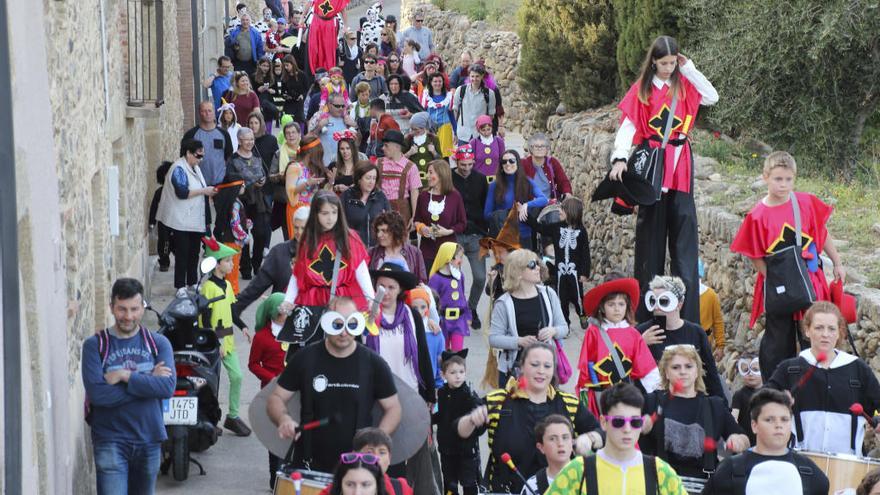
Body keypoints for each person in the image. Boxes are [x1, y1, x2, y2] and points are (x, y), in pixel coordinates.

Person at [608, 36, 718, 324]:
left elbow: (712, 96)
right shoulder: (642, 91)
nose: (669, 67)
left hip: (681, 170)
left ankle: (687, 323)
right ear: (654, 61)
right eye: (664, 62)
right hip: (653, 173)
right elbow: (627, 127)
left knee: (685, 253)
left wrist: (689, 68)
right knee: (650, 251)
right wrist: (619, 158)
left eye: (673, 62)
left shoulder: (685, 86)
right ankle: (646, 321)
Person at [731, 151, 845, 379]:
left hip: (810, 278)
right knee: (777, 341)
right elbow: (755, 254)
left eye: (788, 179)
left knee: (813, 332)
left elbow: (822, 233)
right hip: (780, 284)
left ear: (795, 178)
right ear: (765, 177)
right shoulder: (757, 216)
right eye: (778, 179)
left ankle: (819, 382)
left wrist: (837, 261)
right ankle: (776, 388)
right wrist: (773, 280)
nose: (783, 185)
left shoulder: (805, 202)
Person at [268, 297, 401, 472]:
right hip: (309, 466)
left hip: (357, 469)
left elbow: (393, 408)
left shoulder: (373, 363)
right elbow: (276, 397)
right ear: (326, 322)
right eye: (337, 324)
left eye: (351, 325)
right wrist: (283, 419)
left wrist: (375, 441)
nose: (344, 332)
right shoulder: (304, 358)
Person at [461, 342, 604, 493]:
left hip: (558, 489)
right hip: (505, 489)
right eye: (535, 364)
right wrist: (470, 420)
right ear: (521, 367)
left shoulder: (569, 403)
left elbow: (602, 433)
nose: (541, 371)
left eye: (547, 366)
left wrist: (590, 438)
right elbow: (460, 433)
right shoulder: (499, 401)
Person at [82, 278, 175, 495]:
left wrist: (126, 376)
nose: (128, 316)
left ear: (143, 307)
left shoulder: (159, 344)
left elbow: (167, 387)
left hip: (149, 439)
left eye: (134, 309)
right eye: (122, 309)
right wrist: (148, 379)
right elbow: (99, 395)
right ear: (112, 307)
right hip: (110, 440)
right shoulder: (95, 346)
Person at [766, 301, 880, 455]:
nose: (825, 334)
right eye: (819, 328)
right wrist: (777, 402)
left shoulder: (858, 369)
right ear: (807, 330)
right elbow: (759, 403)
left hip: (848, 466)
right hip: (800, 462)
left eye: (831, 328)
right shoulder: (790, 369)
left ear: (839, 332)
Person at [544, 383, 687, 495]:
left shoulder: (660, 472)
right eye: (618, 421)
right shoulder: (577, 472)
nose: (627, 429)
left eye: (635, 422)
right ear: (603, 422)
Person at [640, 345, 749, 489]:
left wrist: (738, 440)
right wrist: (637, 427)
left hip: (704, 487)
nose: (683, 372)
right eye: (676, 367)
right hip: (659, 485)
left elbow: (745, 440)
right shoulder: (650, 402)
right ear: (666, 372)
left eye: (688, 366)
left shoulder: (714, 406)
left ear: (697, 371)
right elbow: (623, 430)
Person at [701, 388, 829, 495]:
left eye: (784, 419)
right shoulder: (729, 470)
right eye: (769, 420)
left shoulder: (809, 472)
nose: (779, 425)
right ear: (754, 425)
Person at [576, 274, 660, 418]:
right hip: (599, 396)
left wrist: (657, 396)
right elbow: (584, 365)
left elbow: (646, 368)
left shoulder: (633, 334)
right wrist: (582, 393)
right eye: (611, 304)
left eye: (621, 304)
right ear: (602, 307)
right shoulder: (594, 333)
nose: (617, 309)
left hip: (625, 395)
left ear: (627, 306)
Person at [488, 249, 570, 386]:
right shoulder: (504, 303)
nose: (538, 267)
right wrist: (519, 341)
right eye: (532, 265)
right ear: (517, 272)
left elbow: (564, 328)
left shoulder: (549, 295)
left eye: (537, 263)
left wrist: (553, 331)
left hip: (545, 371)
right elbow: (494, 339)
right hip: (514, 372)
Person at [283, 192, 376, 311]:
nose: (330, 218)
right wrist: (288, 300)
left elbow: (361, 270)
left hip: (342, 300)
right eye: (325, 213)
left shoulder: (350, 238)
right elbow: (298, 275)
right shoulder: (308, 240)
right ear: (315, 214)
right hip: (313, 300)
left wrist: (371, 299)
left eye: (334, 212)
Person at [637, 275, 725, 398]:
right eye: (653, 301)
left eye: (663, 301)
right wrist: (640, 344)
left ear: (679, 303)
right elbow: (628, 369)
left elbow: (710, 373)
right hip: (656, 403)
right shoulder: (641, 332)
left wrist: (722, 408)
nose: (656, 307)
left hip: (691, 401)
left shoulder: (696, 332)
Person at [198, 238, 252, 436]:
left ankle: (233, 415)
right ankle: (209, 419)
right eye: (228, 261)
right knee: (212, 384)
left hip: (227, 341)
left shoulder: (228, 286)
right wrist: (215, 342)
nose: (232, 264)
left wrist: (243, 326)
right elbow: (205, 319)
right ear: (217, 264)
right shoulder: (208, 288)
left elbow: (231, 310)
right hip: (213, 344)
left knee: (237, 376)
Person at [366, 262, 436, 404]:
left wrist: (430, 393)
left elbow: (423, 353)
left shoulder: (412, 315)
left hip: (409, 392)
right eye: (381, 286)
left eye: (391, 287)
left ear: (400, 289)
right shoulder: (365, 317)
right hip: (376, 395)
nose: (385, 292)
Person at [232, 206, 308, 333]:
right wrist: (236, 307)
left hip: (311, 322)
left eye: (304, 228)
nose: (299, 232)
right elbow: (257, 285)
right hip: (282, 321)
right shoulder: (279, 252)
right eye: (296, 227)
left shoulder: (323, 253)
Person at [155, 139, 216, 289]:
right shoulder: (178, 168)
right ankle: (180, 286)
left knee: (194, 253)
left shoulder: (195, 167)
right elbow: (182, 192)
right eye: (198, 156)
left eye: (202, 156)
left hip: (194, 219)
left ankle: (192, 282)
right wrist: (204, 191)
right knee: (182, 254)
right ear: (188, 153)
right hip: (180, 220)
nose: (200, 160)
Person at [526, 196, 591, 325]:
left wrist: (585, 273)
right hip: (561, 271)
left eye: (562, 210)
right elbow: (540, 228)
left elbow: (585, 253)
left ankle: (582, 314)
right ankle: (565, 322)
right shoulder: (556, 227)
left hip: (575, 272)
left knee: (578, 296)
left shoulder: (581, 231)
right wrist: (526, 216)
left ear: (570, 212)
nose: (559, 212)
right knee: (562, 298)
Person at [247, 293, 289, 489]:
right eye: (284, 310)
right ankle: (275, 479)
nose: (288, 313)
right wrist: (271, 378)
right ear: (275, 312)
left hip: (294, 392)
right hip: (272, 392)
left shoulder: (295, 332)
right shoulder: (262, 337)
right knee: (275, 436)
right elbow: (253, 364)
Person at [434, 352, 482, 495]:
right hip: (447, 449)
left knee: (469, 484)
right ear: (443, 375)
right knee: (450, 484)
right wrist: (428, 419)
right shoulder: (442, 393)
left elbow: (476, 408)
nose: (458, 376)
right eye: (453, 372)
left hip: (466, 450)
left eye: (461, 372)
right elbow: (441, 415)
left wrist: (478, 410)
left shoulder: (468, 394)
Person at [451, 144, 488, 328]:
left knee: (480, 277)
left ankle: (471, 307)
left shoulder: (481, 179)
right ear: (456, 161)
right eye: (462, 164)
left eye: (470, 164)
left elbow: (485, 205)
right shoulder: (448, 177)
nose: (466, 168)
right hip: (454, 234)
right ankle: (454, 308)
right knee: (452, 276)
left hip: (475, 235)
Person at [484, 149, 548, 250]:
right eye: (504, 162)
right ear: (501, 165)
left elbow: (544, 199)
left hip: (524, 235)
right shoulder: (494, 186)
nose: (508, 164)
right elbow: (487, 214)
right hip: (503, 236)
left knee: (525, 265)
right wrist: (509, 212)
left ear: (518, 162)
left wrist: (526, 205)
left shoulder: (527, 182)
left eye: (511, 161)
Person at [319, 428, 414, 495]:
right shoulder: (336, 489)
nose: (377, 457)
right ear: (354, 455)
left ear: (389, 458)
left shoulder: (401, 488)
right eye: (369, 452)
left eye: (382, 452)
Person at [229, 128, 270, 279]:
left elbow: (264, 173)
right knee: (243, 235)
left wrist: (263, 181)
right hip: (242, 202)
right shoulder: (233, 160)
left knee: (260, 233)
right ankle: (245, 268)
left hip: (258, 201)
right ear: (239, 140)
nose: (250, 142)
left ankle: (257, 264)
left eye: (252, 139)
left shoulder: (257, 155)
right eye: (247, 139)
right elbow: (231, 180)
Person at [414, 160, 467, 268]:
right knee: (427, 284)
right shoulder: (423, 196)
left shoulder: (455, 196)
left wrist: (448, 232)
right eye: (427, 172)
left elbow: (462, 223)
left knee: (448, 284)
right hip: (427, 252)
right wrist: (422, 228)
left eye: (430, 172)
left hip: (449, 251)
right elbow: (417, 219)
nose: (427, 176)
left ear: (441, 174)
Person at [210, 166, 250, 294]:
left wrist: (246, 222)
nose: (244, 187)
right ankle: (232, 294)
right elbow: (235, 225)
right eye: (243, 184)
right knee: (232, 270)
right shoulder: (235, 204)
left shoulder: (230, 202)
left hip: (227, 241)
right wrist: (245, 236)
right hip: (234, 243)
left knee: (228, 269)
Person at [284, 133, 329, 239]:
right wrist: (307, 183)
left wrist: (330, 182)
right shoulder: (295, 167)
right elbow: (290, 191)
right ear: (310, 153)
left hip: (311, 208)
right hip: (296, 207)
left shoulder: (314, 169)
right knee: (298, 242)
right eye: (318, 151)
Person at [428, 243, 472, 352]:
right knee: (444, 353)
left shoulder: (460, 276)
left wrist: (468, 315)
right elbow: (431, 302)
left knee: (457, 353)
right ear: (449, 257)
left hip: (459, 321)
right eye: (460, 257)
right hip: (443, 322)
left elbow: (462, 297)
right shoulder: (436, 279)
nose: (462, 260)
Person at [181, 101, 234, 186]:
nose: (207, 113)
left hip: (220, 184)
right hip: (198, 184)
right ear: (199, 113)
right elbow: (184, 159)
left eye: (209, 110)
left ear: (214, 112)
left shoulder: (224, 134)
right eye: (204, 111)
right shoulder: (191, 135)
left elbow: (229, 157)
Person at [367, 211, 428, 284]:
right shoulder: (371, 253)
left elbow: (422, 282)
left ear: (396, 231)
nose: (379, 235)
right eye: (378, 231)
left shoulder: (415, 252)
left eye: (384, 231)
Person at [520, 414, 574, 495]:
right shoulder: (532, 486)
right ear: (541, 447)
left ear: (572, 443)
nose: (560, 443)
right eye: (552, 439)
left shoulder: (589, 477)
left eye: (565, 437)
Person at [379, 129, 421, 229]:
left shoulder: (411, 166)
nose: (382, 148)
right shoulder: (378, 163)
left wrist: (414, 217)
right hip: (380, 211)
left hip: (402, 213)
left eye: (386, 145)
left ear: (397, 146)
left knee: (402, 243)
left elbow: (415, 193)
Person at [341, 161, 390, 248]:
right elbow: (339, 223)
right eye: (368, 178)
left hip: (376, 249)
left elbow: (390, 220)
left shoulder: (380, 196)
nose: (371, 182)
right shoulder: (346, 196)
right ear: (359, 179)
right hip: (352, 248)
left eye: (374, 178)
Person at [407, 288, 444, 388]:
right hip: (408, 381)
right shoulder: (404, 329)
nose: (419, 311)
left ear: (428, 308)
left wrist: (439, 383)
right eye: (415, 308)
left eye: (423, 307)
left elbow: (440, 358)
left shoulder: (435, 332)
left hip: (429, 382)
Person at [269, 120, 301, 238]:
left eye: (293, 132)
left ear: (299, 134)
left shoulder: (305, 152)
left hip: (302, 200)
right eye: (288, 133)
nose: (291, 135)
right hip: (284, 200)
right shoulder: (279, 153)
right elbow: (271, 177)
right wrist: (280, 176)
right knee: (288, 235)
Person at [521, 133, 572, 202]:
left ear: (547, 149)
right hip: (529, 204)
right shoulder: (523, 163)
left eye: (543, 146)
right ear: (531, 149)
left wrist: (567, 193)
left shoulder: (552, 162)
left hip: (549, 204)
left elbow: (563, 182)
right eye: (536, 146)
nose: (539, 149)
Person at [452, 64, 496, 145]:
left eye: (477, 76)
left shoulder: (489, 94)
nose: (474, 79)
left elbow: (491, 115)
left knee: (480, 158)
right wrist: (455, 132)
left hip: (480, 135)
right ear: (469, 76)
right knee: (462, 158)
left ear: (482, 76)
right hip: (463, 134)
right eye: (472, 76)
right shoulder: (460, 90)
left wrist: (486, 131)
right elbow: (455, 112)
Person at [310, 93, 358, 166]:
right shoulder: (318, 116)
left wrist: (355, 126)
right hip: (324, 164)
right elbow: (309, 138)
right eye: (337, 106)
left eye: (343, 106)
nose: (341, 108)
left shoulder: (347, 118)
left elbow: (358, 141)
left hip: (344, 165)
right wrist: (319, 127)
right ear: (329, 105)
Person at [306, 0, 349, 76]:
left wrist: (345, 26)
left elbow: (343, 10)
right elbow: (309, 2)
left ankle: (329, 72)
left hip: (329, 24)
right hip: (317, 21)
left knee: (328, 50)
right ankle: (315, 71)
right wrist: (302, 17)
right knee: (314, 48)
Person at [419, 73, 456, 158]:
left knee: (444, 155)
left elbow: (451, 114)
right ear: (431, 83)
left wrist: (455, 131)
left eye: (440, 81)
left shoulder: (449, 96)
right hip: (429, 128)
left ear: (443, 82)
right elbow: (422, 113)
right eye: (435, 81)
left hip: (445, 128)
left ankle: (445, 171)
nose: (438, 83)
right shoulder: (425, 96)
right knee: (429, 153)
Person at [730, 354, 762, 447]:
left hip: (764, 443)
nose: (750, 373)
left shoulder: (769, 393)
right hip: (745, 443)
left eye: (755, 369)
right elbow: (734, 417)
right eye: (745, 370)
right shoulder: (739, 395)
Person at [697, 259, 725, 360]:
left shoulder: (710, 295)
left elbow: (717, 321)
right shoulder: (681, 296)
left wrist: (720, 345)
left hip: (704, 343)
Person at [148, 161, 173, 272]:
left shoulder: (178, 191)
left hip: (178, 221)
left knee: (178, 242)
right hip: (163, 221)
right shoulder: (159, 192)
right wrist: (152, 222)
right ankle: (164, 261)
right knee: (164, 242)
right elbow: (154, 207)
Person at [403, 112, 441, 181]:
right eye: (412, 129)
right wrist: (409, 153)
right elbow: (399, 160)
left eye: (416, 129)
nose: (413, 132)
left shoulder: (433, 139)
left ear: (423, 128)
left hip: (430, 179)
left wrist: (434, 152)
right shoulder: (408, 139)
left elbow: (441, 162)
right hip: (412, 178)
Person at [469, 115, 505, 180]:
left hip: (496, 180)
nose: (486, 133)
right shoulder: (473, 143)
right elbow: (470, 163)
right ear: (478, 130)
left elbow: (503, 160)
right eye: (483, 130)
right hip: (479, 180)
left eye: (488, 129)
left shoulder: (499, 141)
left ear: (492, 128)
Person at [277, 55, 308, 126]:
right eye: (284, 66)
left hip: (299, 102)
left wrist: (303, 95)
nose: (286, 67)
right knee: (289, 123)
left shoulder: (302, 75)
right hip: (289, 103)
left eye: (287, 65)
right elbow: (282, 91)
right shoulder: (284, 77)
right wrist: (284, 96)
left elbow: (307, 89)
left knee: (300, 120)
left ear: (292, 64)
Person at [253, 56, 280, 125]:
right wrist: (258, 90)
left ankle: (275, 113)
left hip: (269, 101)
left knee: (268, 124)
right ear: (259, 65)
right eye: (263, 65)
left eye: (267, 66)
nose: (265, 68)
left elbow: (277, 91)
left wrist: (272, 91)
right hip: (259, 101)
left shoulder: (272, 77)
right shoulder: (254, 76)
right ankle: (276, 113)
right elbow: (252, 91)